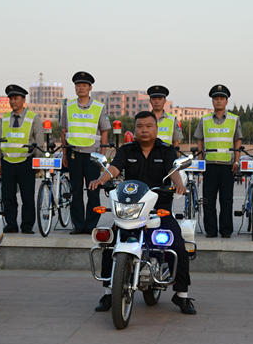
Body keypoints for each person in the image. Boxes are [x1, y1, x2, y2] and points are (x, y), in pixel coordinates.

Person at [89, 111, 195, 314]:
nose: (144, 130)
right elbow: (114, 168)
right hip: (131, 211)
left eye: (148, 126)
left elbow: (173, 171)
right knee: (110, 243)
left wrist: (179, 185)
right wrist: (101, 180)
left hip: (159, 211)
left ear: (156, 129)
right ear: (135, 129)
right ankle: (109, 293)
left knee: (178, 246)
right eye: (140, 126)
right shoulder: (127, 149)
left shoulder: (166, 150)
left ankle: (182, 295)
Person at [60, 72, 110, 234]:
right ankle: (79, 225)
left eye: (84, 85)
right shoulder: (68, 107)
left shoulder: (99, 107)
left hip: (93, 154)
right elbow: (64, 131)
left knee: (93, 191)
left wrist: (102, 155)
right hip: (74, 153)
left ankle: (91, 225)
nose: (80, 88)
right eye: (78, 85)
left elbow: (104, 131)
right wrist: (64, 154)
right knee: (76, 192)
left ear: (90, 88)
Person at [194, 85, 242, 238]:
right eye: (216, 99)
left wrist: (237, 161)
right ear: (212, 101)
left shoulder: (234, 119)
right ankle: (211, 230)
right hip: (209, 166)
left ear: (226, 101)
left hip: (228, 166)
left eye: (222, 98)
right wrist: (200, 162)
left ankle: (226, 230)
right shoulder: (205, 120)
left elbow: (237, 140)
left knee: (226, 200)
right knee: (208, 200)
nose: (219, 101)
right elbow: (200, 140)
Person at [0, 84, 41, 234]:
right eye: (11, 99)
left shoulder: (33, 118)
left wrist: (38, 162)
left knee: (27, 197)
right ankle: (11, 224)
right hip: (7, 163)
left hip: (26, 162)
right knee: (8, 197)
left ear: (23, 100)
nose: (13, 101)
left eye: (16, 98)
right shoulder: (4, 118)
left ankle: (27, 226)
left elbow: (39, 143)